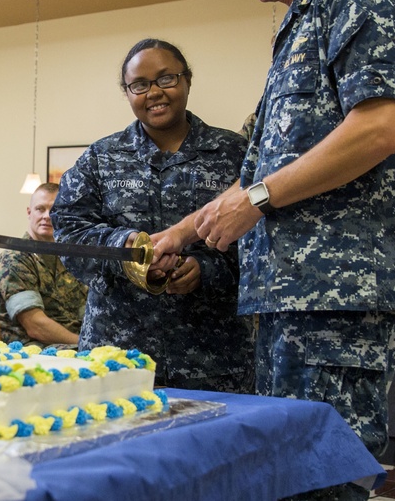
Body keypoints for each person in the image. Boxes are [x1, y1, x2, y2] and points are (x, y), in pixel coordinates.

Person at [150, 0, 395, 474]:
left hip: (338, 299)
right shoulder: (292, 31)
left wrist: (255, 198)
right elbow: (259, 170)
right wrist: (180, 233)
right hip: (284, 301)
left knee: (324, 474)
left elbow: (379, 128)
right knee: (284, 473)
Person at [52, 38, 254, 392]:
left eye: (166, 79)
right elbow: (68, 235)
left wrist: (205, 270)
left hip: (213, 360)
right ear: (127, 93)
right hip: (115, 357)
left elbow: (262, 240)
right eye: (139, 85)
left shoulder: (235, 154)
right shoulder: (100, 158)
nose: (154, 93)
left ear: (187, 80)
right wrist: (125, 247)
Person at [0, 182, 88, 348]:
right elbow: (35, 326)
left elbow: (86, 311)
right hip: (29, 350)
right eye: (40, 209)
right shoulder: (15, 259)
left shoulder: (68, 258)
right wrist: (86, 344)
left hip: (69, 345)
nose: (47, 216)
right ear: (29, 212)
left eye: (54, 210)